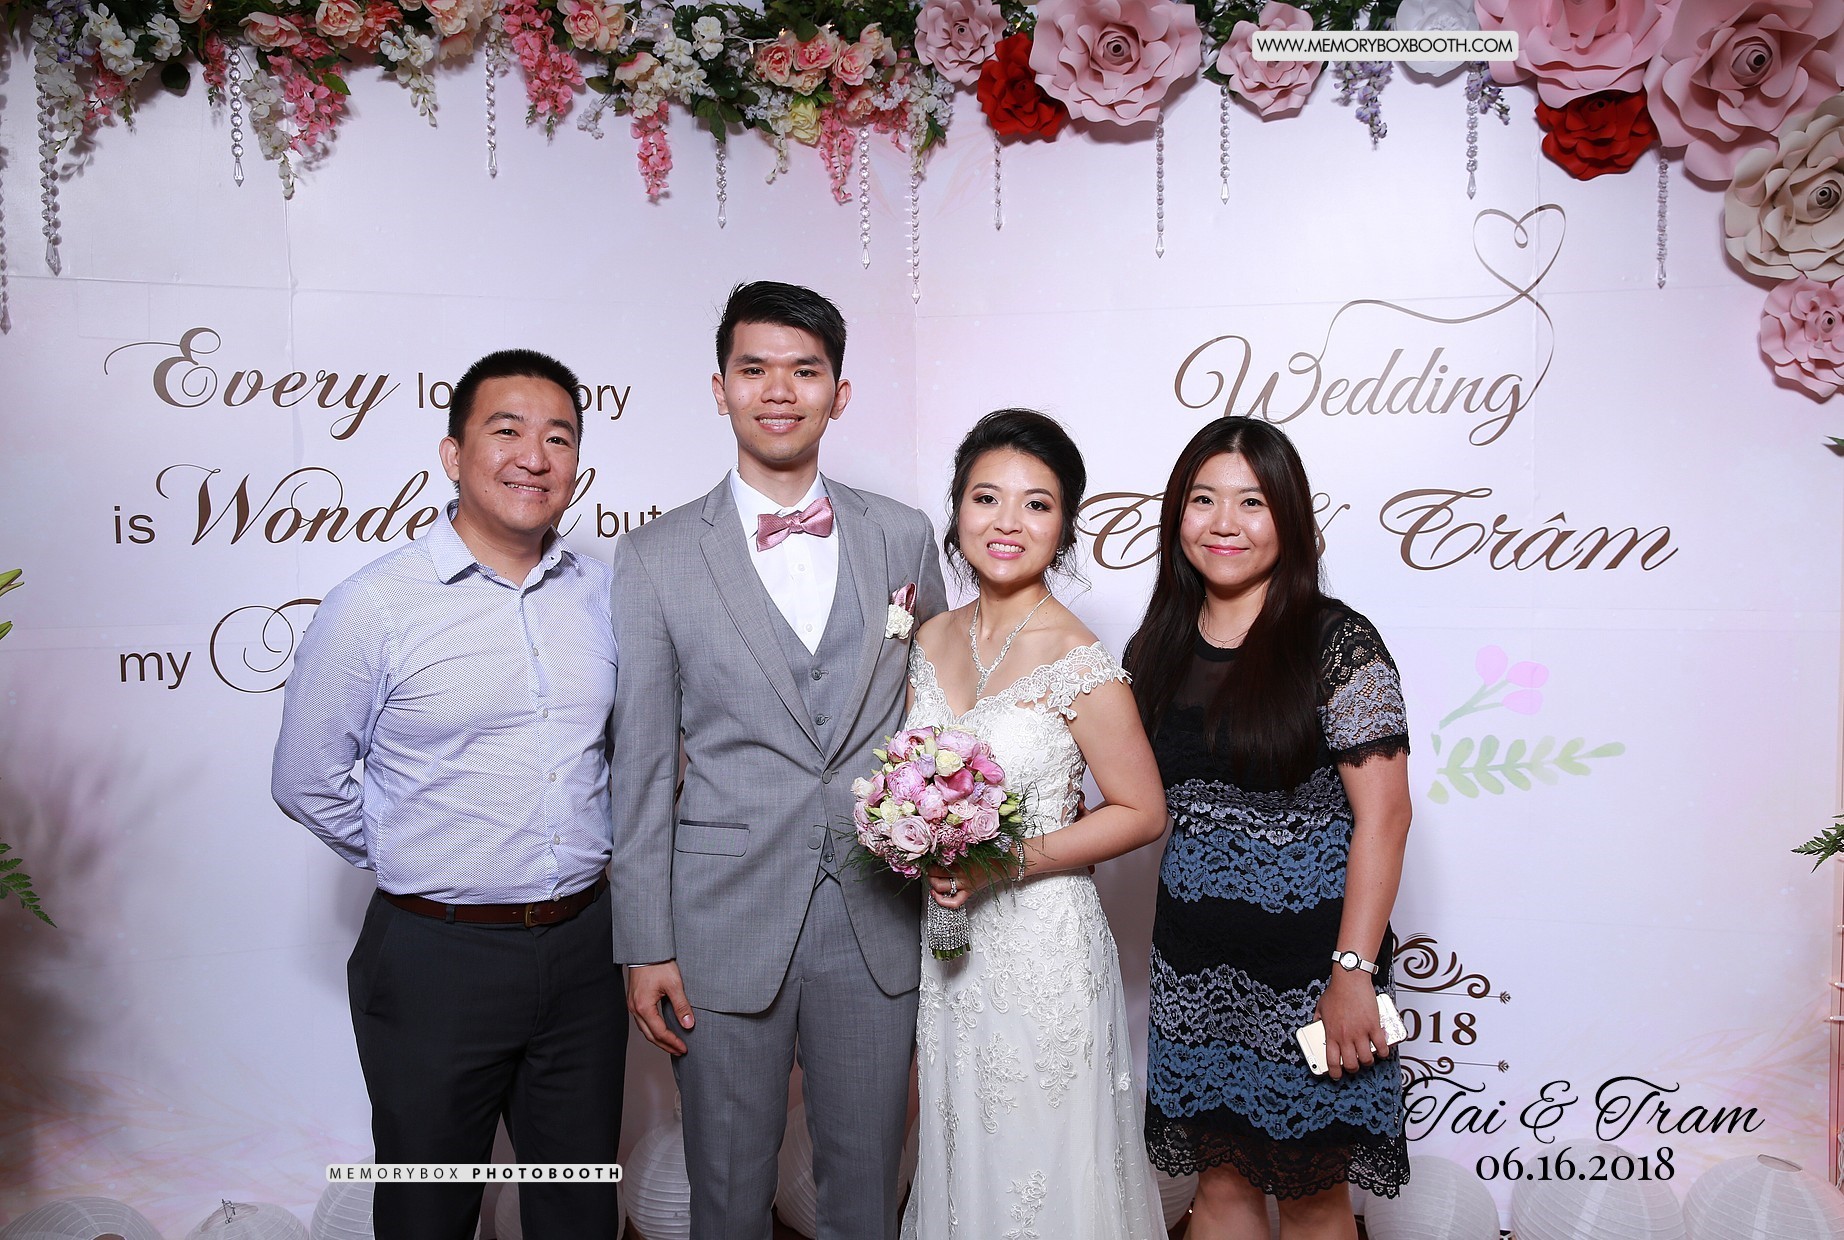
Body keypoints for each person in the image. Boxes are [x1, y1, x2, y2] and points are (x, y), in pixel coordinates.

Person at [609, 281, 948, 1240]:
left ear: (840, 393)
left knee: (866, 1191)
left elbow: (938, 717)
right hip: (719, 921)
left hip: (875, 911)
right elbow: (640, 767)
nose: (779, 391)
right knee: (725, 1196)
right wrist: (645, 943)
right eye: (754, 369)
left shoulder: (903, 534)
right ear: (720, 388)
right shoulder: (656, 557)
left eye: (804, 371)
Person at [271, 349, 624, 1240]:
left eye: (558, 438)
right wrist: (415, 851)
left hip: (586, 949)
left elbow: (627, 751)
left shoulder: (607, 595)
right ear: (453, 453)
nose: (534, 457)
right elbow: (306, 780)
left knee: (580, 1207)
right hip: (436, 958)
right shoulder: (375, 606)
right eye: (507, 431)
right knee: (429, 1209)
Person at [1128, 417, 1412, 1239]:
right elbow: (1138, 803)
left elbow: (1386, 816)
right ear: (1178, 515)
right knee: (1219, 1187)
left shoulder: (1338, 643)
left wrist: (1353, 974)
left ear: (1289, 517)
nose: (1225, 523)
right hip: (1194, 971)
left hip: (1315, 972)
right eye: (1204, 500)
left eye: (1252, 502)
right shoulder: (1156, 649)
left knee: (1314, 1197)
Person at [900, 409, 1169, 1240]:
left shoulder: (1076, 656)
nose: (1007, 522)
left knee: (1041, 1165)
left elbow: (1143, 810)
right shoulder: (927, 638)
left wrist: (1004, 862)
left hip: (1043, 946)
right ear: (957, 511)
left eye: (1036, 504)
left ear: (1065, 526)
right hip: (947, 951)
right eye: (986, 498)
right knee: (965, 1157)